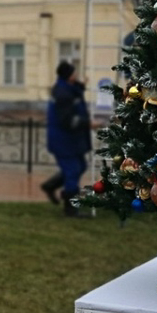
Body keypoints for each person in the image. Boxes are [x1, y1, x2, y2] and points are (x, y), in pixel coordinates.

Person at [45, 61, 91, 216]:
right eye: (74, 72)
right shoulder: (62, 94)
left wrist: (81, 86)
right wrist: (88, 123)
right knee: (72, 170)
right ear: (68, 76)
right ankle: (70, 208)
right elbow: (66, 120)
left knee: (81, 166)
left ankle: (51, 185)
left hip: (71, 139)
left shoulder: (68, 88)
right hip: (63, 140)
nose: (76, 74)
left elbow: (75, 94)